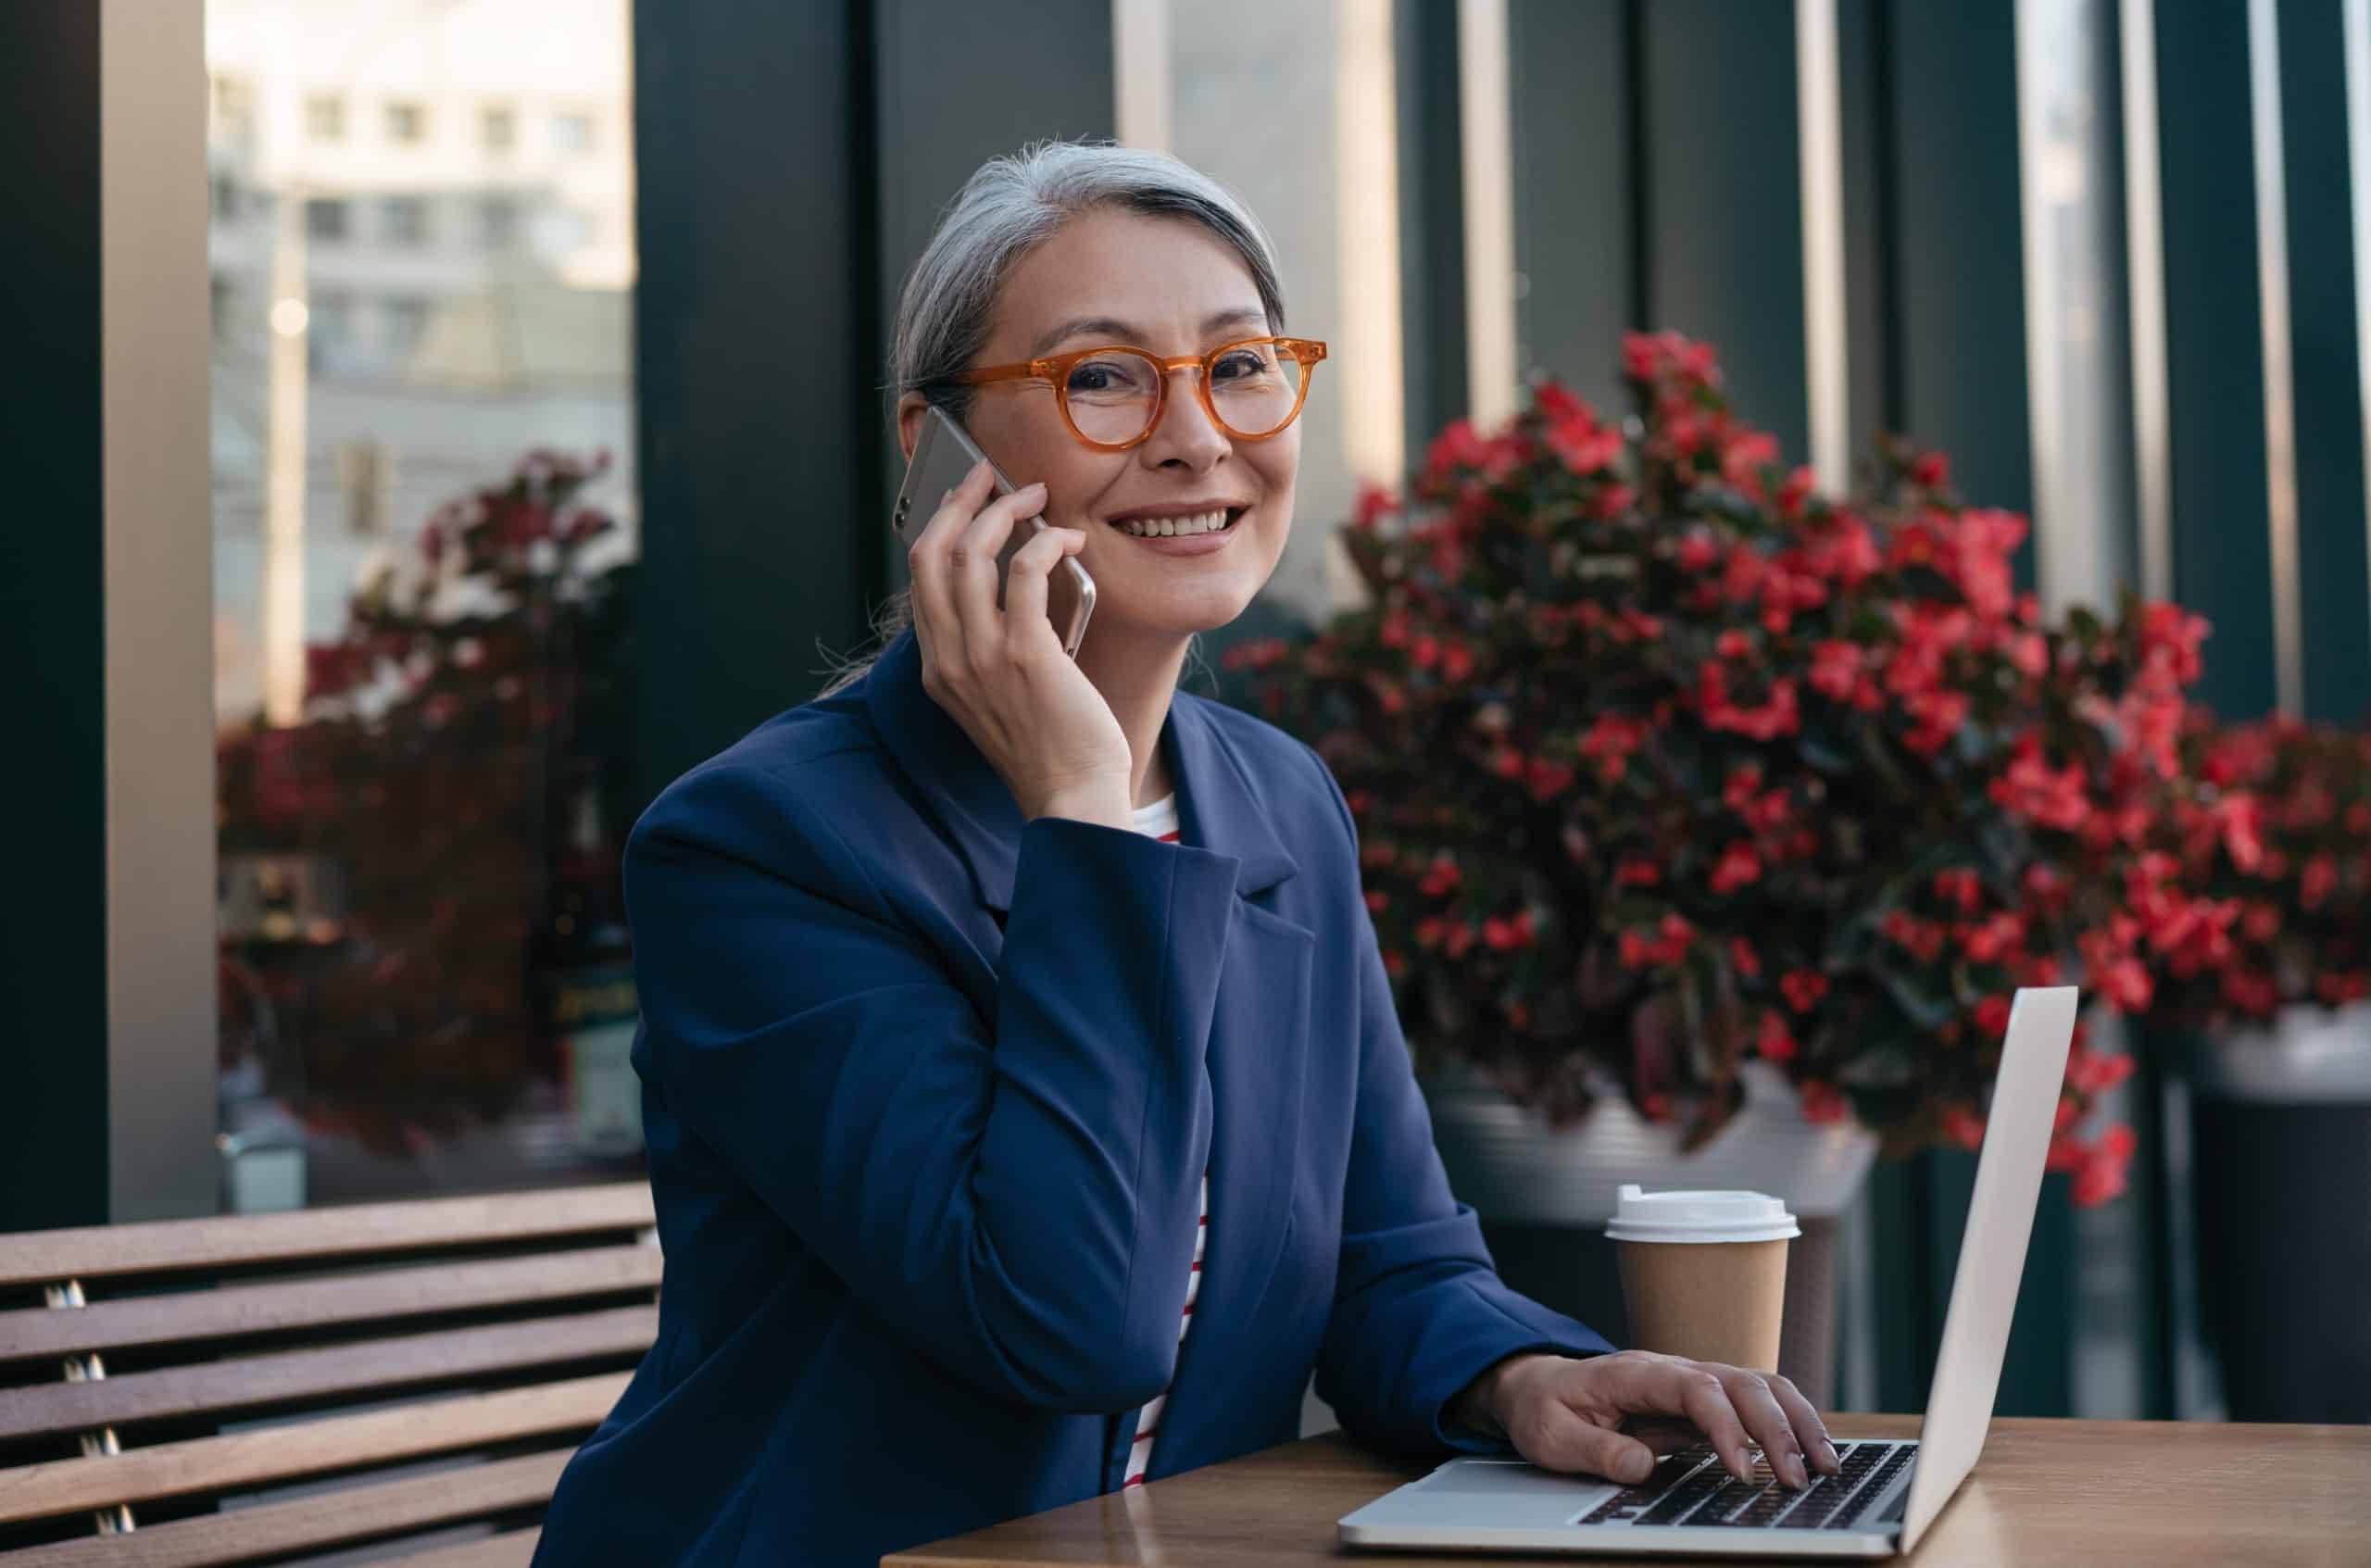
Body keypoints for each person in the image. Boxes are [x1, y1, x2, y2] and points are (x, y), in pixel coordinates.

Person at [533, 139, 1838, 1567]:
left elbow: (1387, 1258)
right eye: (1102, 377)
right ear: (937, 452)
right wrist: (1084, 802)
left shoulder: (1279, 804)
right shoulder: (761, 848)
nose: (1197, 435)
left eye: (1239, 365)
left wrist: (1521, 1378)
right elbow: (1072, 1316)